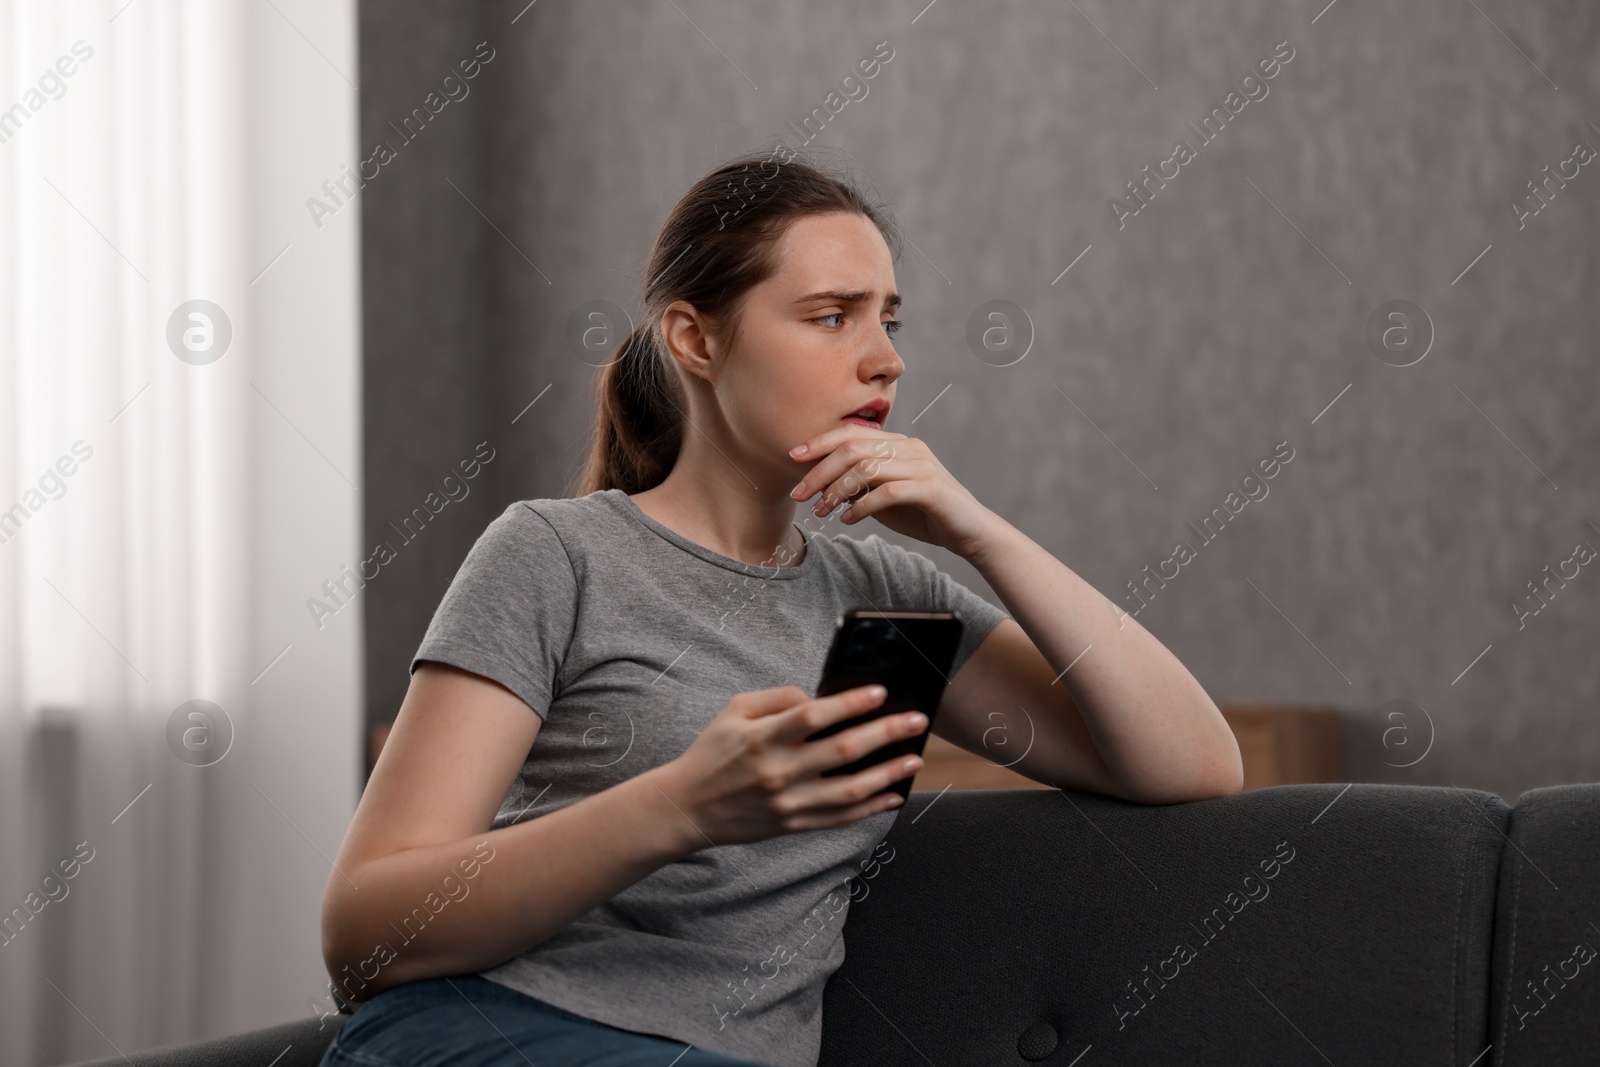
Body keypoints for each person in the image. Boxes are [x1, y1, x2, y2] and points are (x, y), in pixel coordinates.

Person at [317, 148, 1242, 1067]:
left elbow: (1194, 765)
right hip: (492, 1028)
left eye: (888, 318)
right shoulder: (560, 556)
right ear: (697, 340)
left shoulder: (889, 608)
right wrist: (681, 806)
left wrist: (980, 534)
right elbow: (364, 932)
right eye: (831, 316)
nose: (886, 359)